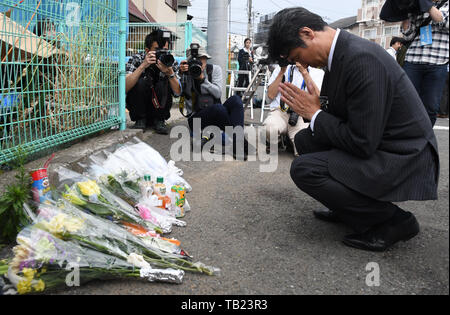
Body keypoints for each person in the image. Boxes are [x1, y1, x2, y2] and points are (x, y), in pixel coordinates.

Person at [267, 7, 440, 252]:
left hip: (403, 157)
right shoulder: (339, 55)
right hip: (381, 144)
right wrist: (320, 109)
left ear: (307, 34)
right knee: (306, 139)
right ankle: (348, 207)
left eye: (298, 56)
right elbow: (349, 120)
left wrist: (315, 114)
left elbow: (361, 142)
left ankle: (394, 221)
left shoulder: (361, 59)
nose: (302, 63)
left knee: (305, 169)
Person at [178, 45, 250, 160]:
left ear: (206, 59)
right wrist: (181, 74)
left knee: (236, 100)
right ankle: (240, 142)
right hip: (196, 120)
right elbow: (177, 93)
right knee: (218, 109)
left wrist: (202, 79)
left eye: (202, 59)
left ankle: (237, 143)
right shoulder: (186, 74)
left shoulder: (214, 70)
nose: (199, 62)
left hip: (219, 116)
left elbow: (217, 94)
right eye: (195, 60)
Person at [401, 0, 449, 127]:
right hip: (413, 60)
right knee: (404, 102)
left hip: (438, 62)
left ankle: (423, 138)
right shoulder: (416, 4)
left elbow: (443, 21)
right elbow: (407, 35)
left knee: (430, 107)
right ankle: (404, 136)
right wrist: (404, 14)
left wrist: (427, 5)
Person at [126, 29, 182, 134]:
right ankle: (140, 120)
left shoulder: (169, 61)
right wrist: (142, 66)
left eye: (164, 50)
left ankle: (159, 121)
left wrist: (170, 73)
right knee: (140, 81)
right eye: (157, 49)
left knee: (163, 83)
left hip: (160, 111)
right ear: (147, 51)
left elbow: (178, 92)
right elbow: (125, 87)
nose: (161, 53)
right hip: (139, 109)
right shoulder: (137, 58)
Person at [264, 62, 324, 156]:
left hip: (301, 114)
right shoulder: (282, 68)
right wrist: (281, 72)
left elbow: (318, 98)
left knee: (303, 150)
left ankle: (290, 141)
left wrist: (304, 73)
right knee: (270, 128)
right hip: (280, 111)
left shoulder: (317, 72)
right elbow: (270, 95)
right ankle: (275, 141)